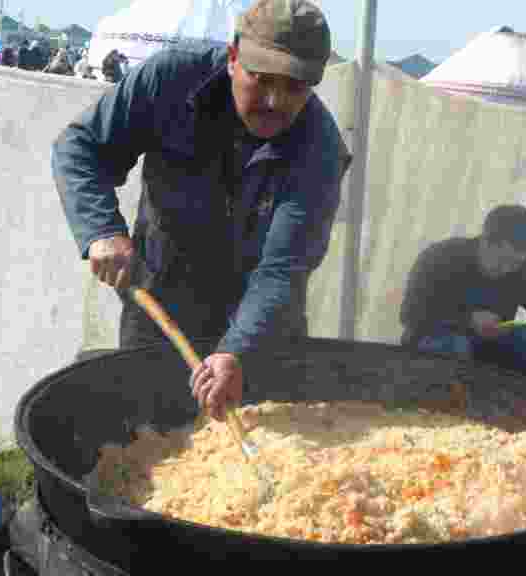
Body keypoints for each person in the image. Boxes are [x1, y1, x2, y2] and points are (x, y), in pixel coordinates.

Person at [51, 0, 349, 422]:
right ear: (232, 58)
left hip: (259, 322)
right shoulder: (171, 79)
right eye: (261, 79)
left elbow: (281, 270)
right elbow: (80, 147)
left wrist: (235, 350)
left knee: (264, 432)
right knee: (146, 430)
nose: (274, 101)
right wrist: (101, 228)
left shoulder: (320, 151)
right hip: (160, 299)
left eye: (294, 88)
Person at [399, 204, 526, 394]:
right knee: (455, 345)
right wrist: (467, 320)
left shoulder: (521, 273)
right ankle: (450, 403)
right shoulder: (440, 258)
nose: (507, 269)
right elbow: (410, 314)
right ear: (485, 241)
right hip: (435, 342)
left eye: (515, 263)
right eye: (501, 261)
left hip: (485, 345)